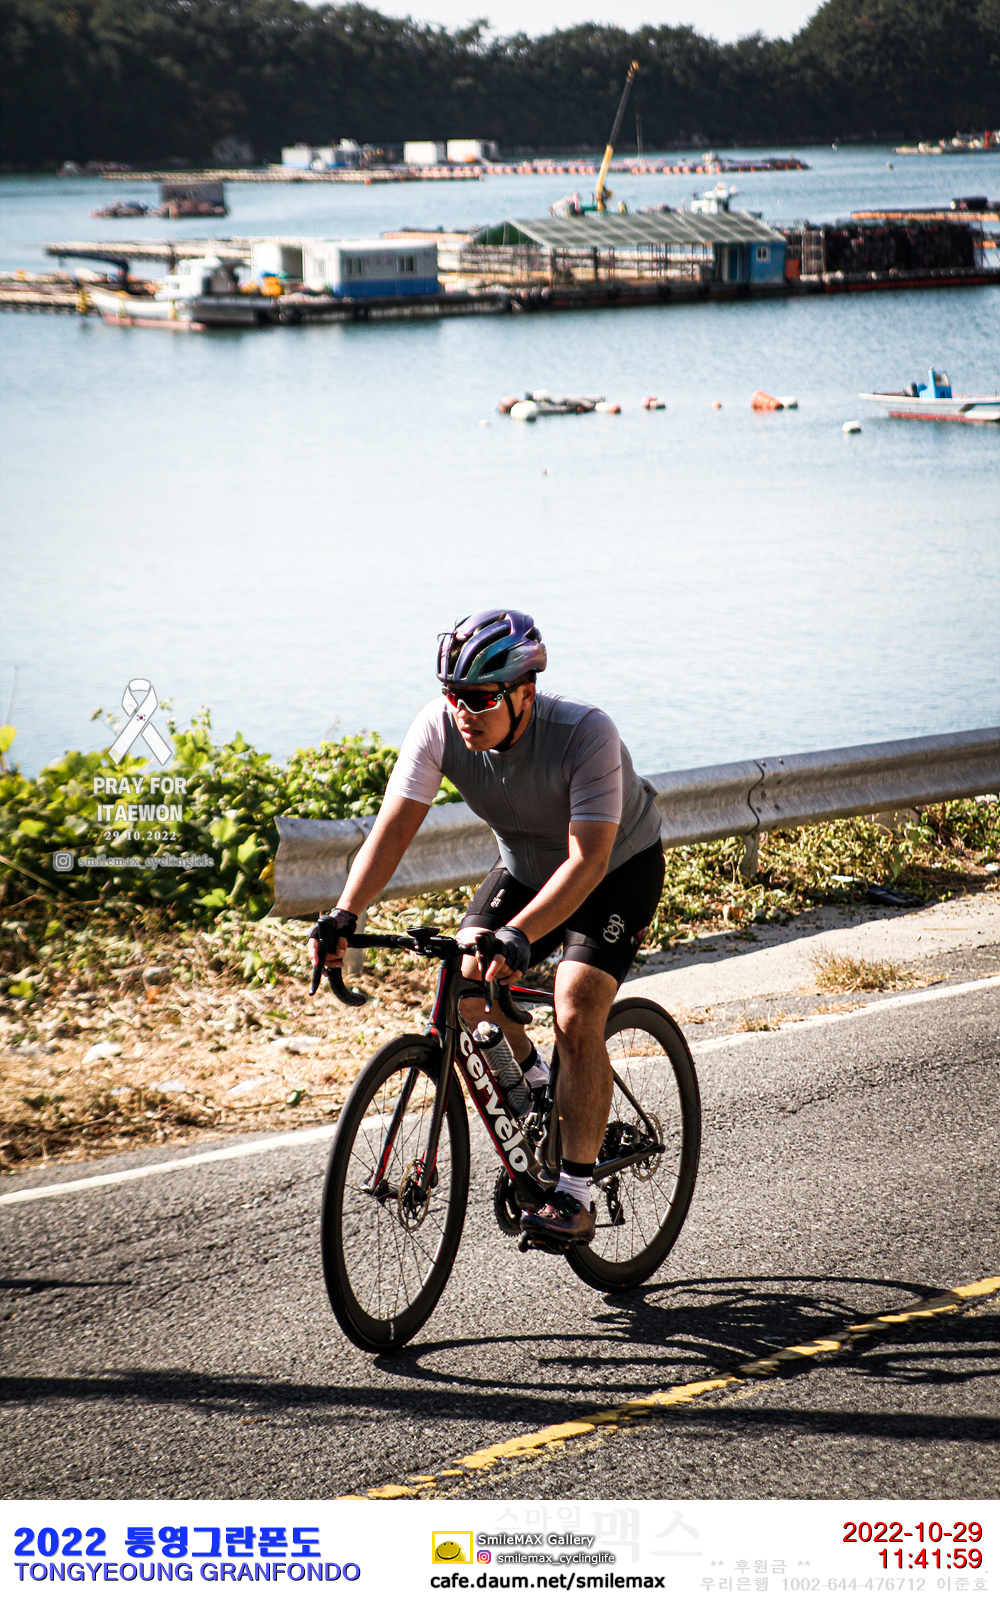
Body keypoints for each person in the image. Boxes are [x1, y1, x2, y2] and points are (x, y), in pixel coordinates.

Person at [307, 610, 664, 1247]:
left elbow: (588, 861)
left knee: (576, 1007)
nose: (462, 712)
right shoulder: (439, 727)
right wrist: (344, 912)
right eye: (453, 695)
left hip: (614, 870)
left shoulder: (585, 733)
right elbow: (391, 830)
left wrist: (520, 935)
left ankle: (575, 1195)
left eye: (479, 698)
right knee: (468, 985)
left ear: (525, 692)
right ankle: (541, 1094)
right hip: (525, 868)